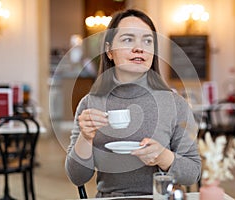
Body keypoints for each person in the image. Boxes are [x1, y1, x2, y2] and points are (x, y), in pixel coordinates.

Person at [65, 9, 201, 197]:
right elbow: (77, 177)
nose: (139, 48)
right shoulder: (90, 104)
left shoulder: (175, 104)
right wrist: (86, 138)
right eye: (128, 39)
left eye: (147, 41)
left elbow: (193, 172)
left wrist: (163, 157)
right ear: (109, 51)